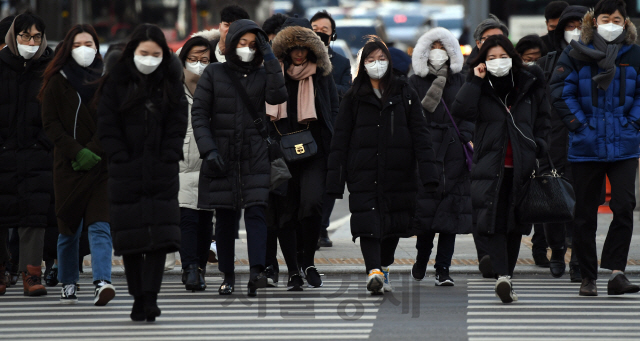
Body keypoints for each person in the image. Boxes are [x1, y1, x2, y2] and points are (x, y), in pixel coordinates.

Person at [327, 36, 439, 294]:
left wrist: (429, 173)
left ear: (389, 62)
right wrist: (335, 180)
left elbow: (420, 134)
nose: (376, 64)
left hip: (399, 173)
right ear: (362, 64)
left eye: (381, 59)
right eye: (370, 60)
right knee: (368, 223)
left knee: (393, 225)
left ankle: (384, 268)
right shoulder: (353, 97)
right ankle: (374, 270)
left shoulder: (404, 92)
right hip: (363, 171)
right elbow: (340, 140)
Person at [97, 23, 188, 321]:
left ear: (165, 55)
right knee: (133, 240)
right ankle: (138, 298)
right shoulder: (115, 82)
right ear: (132, 52)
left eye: (156, 54)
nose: (149, 58)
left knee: (161, 238)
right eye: (143, 53)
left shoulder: (171, 81)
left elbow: (178, 122)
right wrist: (119, 156)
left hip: (162, 168)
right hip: (126, 169)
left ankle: (151, 297)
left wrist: (169, 153)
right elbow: (106, 124)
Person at [550, 0, 640, 297]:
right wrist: (579, 125)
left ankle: (616, 272)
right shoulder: (576, 52)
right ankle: (588, 276)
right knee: (585, 213)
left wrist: (633, 123)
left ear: (625, 23)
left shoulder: (634, 54)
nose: (611, 23)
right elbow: (561, 92)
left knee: (624, 206)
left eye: (617, 18)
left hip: (624, 144)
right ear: (595, 21)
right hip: (586, 144)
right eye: (606, 18)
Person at [191, 19, 287, 297]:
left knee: (257, 211)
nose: (247, 49)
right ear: (231, 44)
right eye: (242, 43)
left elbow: (278, 95)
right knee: (225, 217)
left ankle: (257, 271)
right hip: (221, 154)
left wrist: (269, 55)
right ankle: (228, 275)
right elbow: (199, 115)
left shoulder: (263, 72)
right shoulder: (214, 73)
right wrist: (208, 150)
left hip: (255, 154)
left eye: (253, 45)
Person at [453, 35, 550, 303]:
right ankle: (503, 277)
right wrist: (475, 80)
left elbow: (543, 118)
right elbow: (460, 109)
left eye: (502, 56)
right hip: (491, 166)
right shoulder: (480, 86)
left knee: (516, 224)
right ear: (483, 61)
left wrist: (540, 144)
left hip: (522, 165)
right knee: (494, 222)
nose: (497, 62)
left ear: (512, 57)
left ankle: (506, 274)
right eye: (491, 57)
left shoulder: (528, 84)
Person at [39, 24, 115, 305]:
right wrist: (76, 152)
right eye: (78, 44)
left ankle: (102, 281)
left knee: (100, 225)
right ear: (68, 48)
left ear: (97, 48)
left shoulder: (106, 80)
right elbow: (51, 124)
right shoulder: (56, 80)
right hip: (67, 166)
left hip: (99, 166)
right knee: (69, 227)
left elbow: (111, 120)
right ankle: (68, 281)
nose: (84, 49)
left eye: (89, 44)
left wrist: (93, 151)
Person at [267, 17, 339, 289]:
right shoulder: (272, 74)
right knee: (286, 212)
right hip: (280, 152)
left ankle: (308, 260)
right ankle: (293, 269)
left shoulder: (322, 75)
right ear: (285, 48)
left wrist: (334, 151)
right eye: (294, 47)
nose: (299, 52)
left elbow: (333, 113)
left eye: (304, 47)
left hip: (314, 153)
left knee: (311, 206)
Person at [408, 27, 473, 286]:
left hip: (455, 152)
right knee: (426, 212)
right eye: (432, 48)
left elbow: (469, 113)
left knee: (451, 214)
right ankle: (422, 258)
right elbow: (410, 118)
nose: (438, 53)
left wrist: (465, 136)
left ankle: (443, 268)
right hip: (426, 152)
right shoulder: (414, 82)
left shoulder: (461, 80)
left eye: (442, 48)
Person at [0, 11, 54, 297]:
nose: (31, 42)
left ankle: (31, 274)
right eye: (25, 35)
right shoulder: (1, 64)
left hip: (37, 154)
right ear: (14, 36)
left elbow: (57, 111)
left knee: (34, 217)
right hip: (5, 151)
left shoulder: (50, 67)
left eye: (36, 36)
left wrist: (44, 143)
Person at [536, 4, 588, 282]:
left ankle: (579, 258)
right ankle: (556, 251)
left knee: (583, 204)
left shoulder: (597, 60)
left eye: (580, 26)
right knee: (552, 200)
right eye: (569, 26)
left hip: (584, 140)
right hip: (552, 139)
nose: (575, 32)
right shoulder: (547, 63)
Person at [461, 14, 509, 278]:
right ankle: (487, 256)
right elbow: (461, 111)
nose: (494, 46)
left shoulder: (517, 74)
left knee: (504, 207)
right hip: (478, 150)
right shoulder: (470, 73)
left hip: (508, 152)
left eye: (499, 39)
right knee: (481, 203)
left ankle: (502, 259)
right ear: (478, 44)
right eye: (488, 40)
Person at [310, 10, 353, 249]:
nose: (318, 33)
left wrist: (322, 73)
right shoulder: (298, 57)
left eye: (324, 30)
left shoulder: (341, 62)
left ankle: (322, 227)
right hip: (304, 129)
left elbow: (345, 93)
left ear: (332, 35)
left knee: (329, 182)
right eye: (314, 28)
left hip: (330, 129)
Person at [176, 36, 214, 292]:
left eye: (204, 59)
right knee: (186, 218)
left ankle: (199, 267)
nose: (199, 64)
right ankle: (190, 268)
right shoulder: (171, 88)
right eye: (193, 59)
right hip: (179, 164)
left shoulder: (217, 88)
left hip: (210, 162)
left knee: (204, 221)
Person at [515, 33, 551, 270]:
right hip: (515, 150)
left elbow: (545, 117)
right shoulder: (513, 81)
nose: (534, 64)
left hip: (539, 148)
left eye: (538, 59)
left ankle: (541, 249)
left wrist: (541, 144)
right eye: (529, 59)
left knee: (541, 200)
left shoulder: (544, 82)